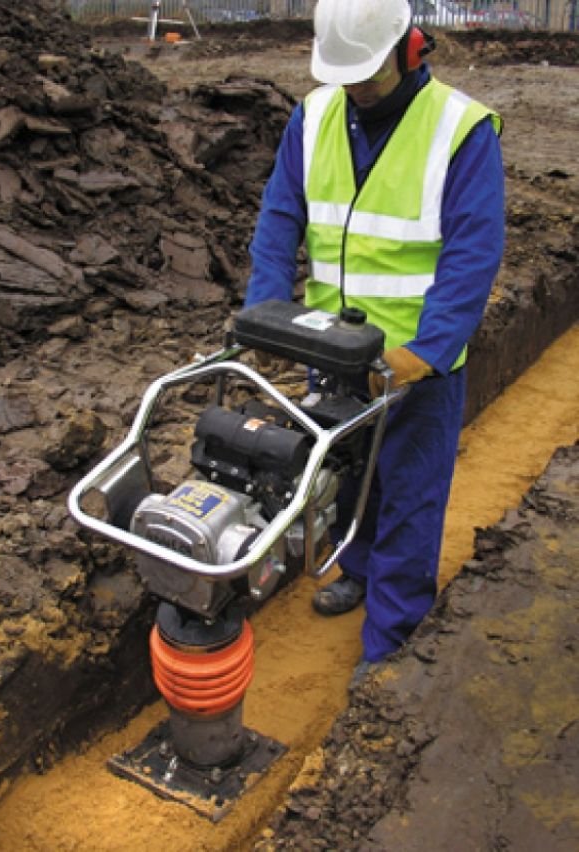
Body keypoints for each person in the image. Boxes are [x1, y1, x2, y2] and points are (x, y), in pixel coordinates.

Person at [244, 0, 505, 683]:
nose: (356, 87)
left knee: (410, 494)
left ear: (409, 49)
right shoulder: (316, 116)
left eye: (368, 72)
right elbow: (280, 215)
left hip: (418, 363)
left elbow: (473, 255)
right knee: (349, 478)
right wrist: (266, 310)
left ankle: (391, 637)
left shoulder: (460, 130)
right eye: (345, 74)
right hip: (332, 352)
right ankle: (355, 570)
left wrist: (423, 353)